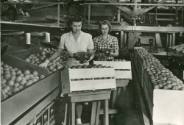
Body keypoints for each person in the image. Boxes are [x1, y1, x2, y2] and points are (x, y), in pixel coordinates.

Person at [40, 16, 94, 125]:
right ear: (71, 25)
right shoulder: (65, 36)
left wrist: (89, 58)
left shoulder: (88, 36)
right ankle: (67, 119)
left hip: (83, 68)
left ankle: (78, 120)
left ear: (82, 25)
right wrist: (47, 61)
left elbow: (91, 52)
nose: (77, 28)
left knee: (80, 94)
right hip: (70, 67)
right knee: (69, 94)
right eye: (75, 25)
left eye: (79, 25)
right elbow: (59, 51)